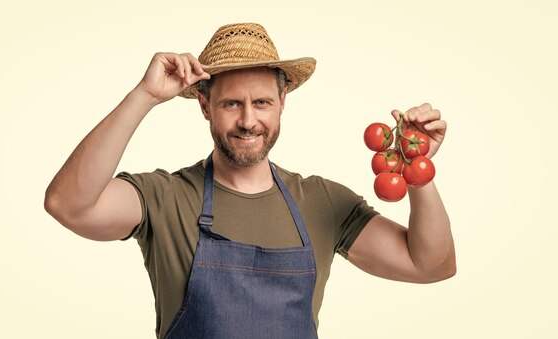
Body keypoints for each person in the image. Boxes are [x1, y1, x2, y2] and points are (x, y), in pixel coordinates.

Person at [44, 23, 455, 339]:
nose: (247, 120)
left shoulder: (322, 201)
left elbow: (431, 265)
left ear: (282, 103)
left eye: (261, 102)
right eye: (230, 103)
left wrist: (416, 168)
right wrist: (145, 96)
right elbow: (68, 204)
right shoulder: (163, 198)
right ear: (204, 105)